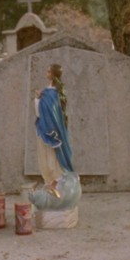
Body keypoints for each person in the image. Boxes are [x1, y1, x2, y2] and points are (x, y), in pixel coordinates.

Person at [30, 64, 80, 211]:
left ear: (53, 74)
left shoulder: (51, 94)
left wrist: (38, 99)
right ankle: (50, 184)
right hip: (45, 131)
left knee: (52, 159)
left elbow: (42, 113)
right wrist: (38, 98)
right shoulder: (49, 92)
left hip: (50, 132)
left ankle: (55, 183)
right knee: (45, 158)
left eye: (48, 71)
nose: (46, 72)